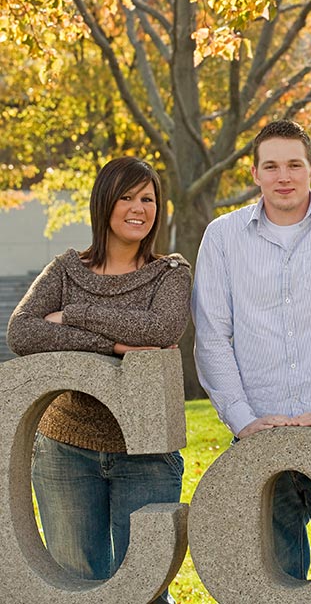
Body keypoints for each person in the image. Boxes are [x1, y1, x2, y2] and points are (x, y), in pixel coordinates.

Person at [191, 119, 311, 581]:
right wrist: (242, 421)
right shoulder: (222, 237)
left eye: (294, 164)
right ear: (255, 173)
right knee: (275, 580)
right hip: (259, 437)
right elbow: (212, 336)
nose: (284, 176)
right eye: (272, 165)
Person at [6, 157, 190, 603]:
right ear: (104, 202)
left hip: (145, 455)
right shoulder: (66, 269)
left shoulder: (171, 273)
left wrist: (72, 315)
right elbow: (22, 331)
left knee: (145, 592)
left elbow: (160, 329)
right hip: (65, 451)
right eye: (126, 196)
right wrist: (111, 346)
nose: (138, 208)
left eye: (147, 198)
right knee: (76, 587)